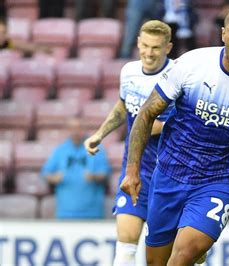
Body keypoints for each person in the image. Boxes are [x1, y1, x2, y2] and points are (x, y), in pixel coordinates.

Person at [120, 6, 229, 265]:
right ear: (223, 34)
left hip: (219, 181)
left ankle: (197, 242)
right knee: (156, 262)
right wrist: (132, 170)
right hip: (169, 174)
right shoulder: (192, 65)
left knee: (183, 255)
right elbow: (146, 113)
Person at [83, 20, 179, 265]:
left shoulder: (178, 77)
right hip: (135, 170)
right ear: (138, 42)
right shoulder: (129, 71)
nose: (148, 52)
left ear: (168, 47)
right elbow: (124, 105)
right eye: (145, 45)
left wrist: (140, 124)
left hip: (169, 174)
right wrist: (99, 134)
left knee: (168, 255)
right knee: (126, 244)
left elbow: (168, 124)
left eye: (156, 48)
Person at [41, 117, 111, 219]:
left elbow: (105, 174)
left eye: (79, 128)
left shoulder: (97, 148)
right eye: (72, 128)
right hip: (65, 213)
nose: (76, 131)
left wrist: (94, 177)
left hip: (92, 213)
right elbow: (45, 173)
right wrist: (53, 178)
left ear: (85, 129)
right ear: (67, 130)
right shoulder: (60, 150)